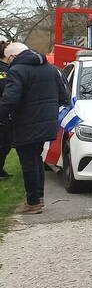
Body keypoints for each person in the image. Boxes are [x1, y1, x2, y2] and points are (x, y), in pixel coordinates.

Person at [0, 42, 70, 214]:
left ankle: (33, 202)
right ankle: (38, 199)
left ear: (12, 57)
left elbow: (10, 100)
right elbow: (64, 96)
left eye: (8, 60)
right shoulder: (51, 68)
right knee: (37, 159)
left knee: (29, 163)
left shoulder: (16, 71)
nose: (8, 64)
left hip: (26, 124)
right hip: (47, 123)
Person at [0, 41, 11, 180]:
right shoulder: (3, 71)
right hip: (2, 111)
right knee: (4, 142)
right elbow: (5, 88)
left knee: (6, 143)